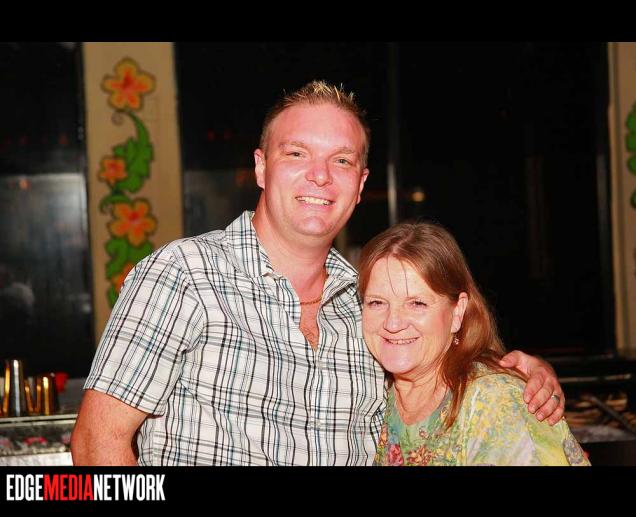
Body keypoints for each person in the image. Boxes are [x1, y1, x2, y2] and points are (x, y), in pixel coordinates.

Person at [71, 80, 564, 466]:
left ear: (360, 183)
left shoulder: (368, 303)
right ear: (261, 167)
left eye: (341, 160)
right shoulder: (183, 274)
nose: (320, 175)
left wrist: (514, 374)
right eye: (297, 153)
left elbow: (433, 379)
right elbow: (97, 442)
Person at [359, 222, 589, 466]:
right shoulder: (373, 390)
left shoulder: (494, 401)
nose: (393, 323)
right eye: (376, 303)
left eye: (417, 303)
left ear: (457, 312)